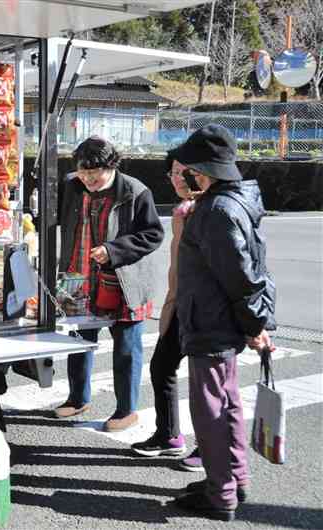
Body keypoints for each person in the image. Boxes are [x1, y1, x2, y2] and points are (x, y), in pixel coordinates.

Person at [168, 124, 275, 522]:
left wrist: (255, 325)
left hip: (212, 323)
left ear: (205, 170)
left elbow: (239, 277)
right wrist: (252, 322)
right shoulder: (233, 201)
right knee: (227, 404)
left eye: (189, 168)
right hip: (220, 320)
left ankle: (221, 493)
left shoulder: (217, 211)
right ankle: (233, 479)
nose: (184, 175)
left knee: (211, 409)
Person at [55, 136, 164, 432]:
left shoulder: (134, 191)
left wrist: (114, 251)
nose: (89, 178)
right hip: (78, 276)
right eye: (83, 171)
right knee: (78, 342)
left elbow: (153, 234)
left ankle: (126, 410)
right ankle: (78, 398)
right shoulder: (71, 185)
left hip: (123, 282)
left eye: (96, 173)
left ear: (112, 166)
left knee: (127, 348)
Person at [130, 158, 202, 459]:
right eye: (174, 172)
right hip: (181, 303)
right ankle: (169, 435)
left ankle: (209, 450)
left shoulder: (208, 210)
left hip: (205, 310)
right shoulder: (183, 210)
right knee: (162, 367)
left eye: (187, 172)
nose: (180, 178)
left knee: (208, 385)